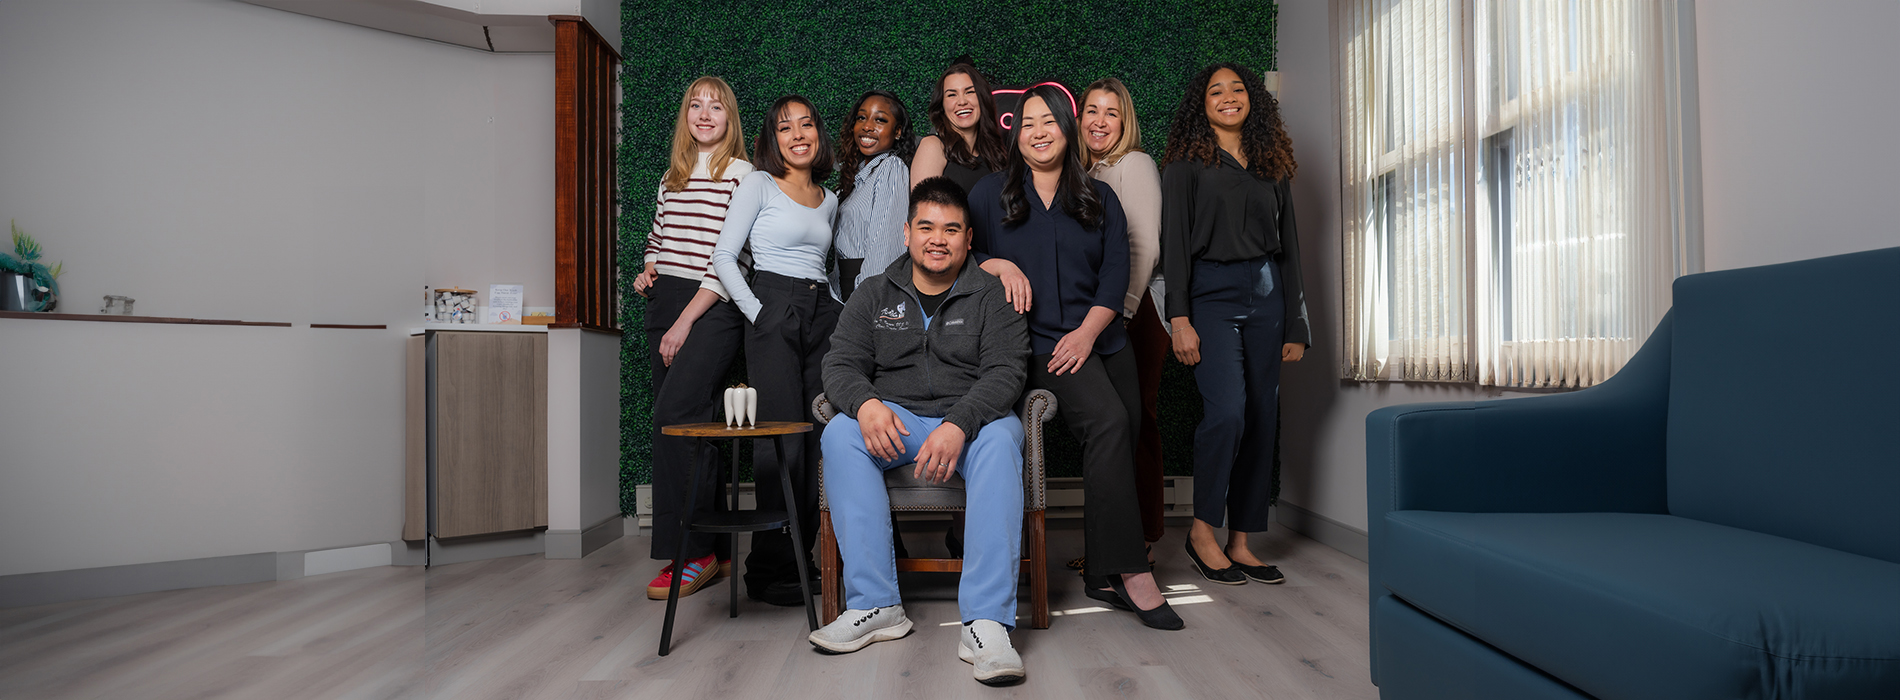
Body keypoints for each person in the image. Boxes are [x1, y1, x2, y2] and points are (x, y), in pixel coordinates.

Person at [968, 85, 1183, 630]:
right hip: (1038, 342)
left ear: (1067, 129)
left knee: (1128, 427)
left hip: (1101, 337)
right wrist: (999, 265)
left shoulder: (1098, 195)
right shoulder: (991, 193)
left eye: (1050, 122)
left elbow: (1117, 272)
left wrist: (1089, 332)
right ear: (1016, 134)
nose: (1039, 132)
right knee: (1108, 422)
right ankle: (1132, 571)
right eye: (1028, 123)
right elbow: (961, 252)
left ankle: (1100, 573)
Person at [810, 177, 1031, 686]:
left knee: (1003, 440)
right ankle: (876, 605)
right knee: (840, 434)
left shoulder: (992, 295)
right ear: (907, 233)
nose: (938, 239)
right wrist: (866, 405)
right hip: (899, 420)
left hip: (973, 423)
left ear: (968, 239)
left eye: (951, 229)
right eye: (927, 227)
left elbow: (1006, 372)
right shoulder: (873, 293)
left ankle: (985, 623)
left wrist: (959, 424)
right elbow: (840, 363)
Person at [1159, 63, 1309, 586]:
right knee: (1227, 414)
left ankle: (1241, 542)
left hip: (1268, 297)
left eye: (1238, 89)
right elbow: (1175, 245)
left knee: (1263, 418)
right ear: (1201, 105)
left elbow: (1290, 247)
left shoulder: (1272, 162)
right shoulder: (1184, 164)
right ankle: (1202, 532)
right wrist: (1179, 317)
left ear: (1253, 100)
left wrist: (1297, 323)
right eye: (1215, 91)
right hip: (1210, 296)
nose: (1228, 97)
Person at [710, 95, 839, 607]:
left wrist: (837, 309)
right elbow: (724, 256)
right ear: (773, 138)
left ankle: (801, 558)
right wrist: (759, 314)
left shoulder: (829, 199)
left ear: (818, 134)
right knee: (780, 437)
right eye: (786, 128)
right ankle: (768, 568)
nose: (798, 135)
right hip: (773, 304)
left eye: (806, 124)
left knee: (819, 434)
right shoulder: (758, 184)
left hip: (821, 312)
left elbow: (821, 265)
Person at [634, 76, 752, 600]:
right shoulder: (672, 177)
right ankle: (716, 551)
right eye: (696, 106)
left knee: (675, 416)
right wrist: (648, 268)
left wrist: (685, 321)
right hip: (665, 300)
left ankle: (692, 553)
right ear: (686, 116)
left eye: (716, 106)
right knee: (692, 422)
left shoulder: (743, 175)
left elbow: (733, 257)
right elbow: (658, 237)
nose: (705, 114)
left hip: (712, 305)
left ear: (730, 118)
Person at [1067, 77, 1167, 573]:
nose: (1100, 121)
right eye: (1092, 111)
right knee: (1109, 430)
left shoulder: (1134, 164)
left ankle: (1141, 541)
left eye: (1112, 113)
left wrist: (1122, 312)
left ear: (1125, 122)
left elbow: (1143, 244)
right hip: (1101, 311)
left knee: (1135, 421)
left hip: (1134, 309)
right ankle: (1112, 544)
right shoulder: (1083, 171)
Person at [832, 90, 918, 303]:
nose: (867, 126)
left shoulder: (891, 167)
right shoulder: (856, 177)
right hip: (844, 292)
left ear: (897, 131)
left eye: (880, 120)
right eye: (861, 118)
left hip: (868, 294)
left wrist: (863, 303)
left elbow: (885, 249)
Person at [911, 62, 1010, 193]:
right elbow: (923, 205)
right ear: (942, 105)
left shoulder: (995, 151)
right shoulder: (933, 146)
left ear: (982, 98)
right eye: (952, 95)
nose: (962, 102)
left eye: (970, 92)